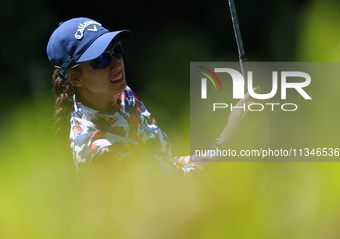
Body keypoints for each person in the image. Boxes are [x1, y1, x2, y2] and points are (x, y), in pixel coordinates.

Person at [46, 17, 259, 180]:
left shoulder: (122, 95)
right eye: (100, 60)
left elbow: (166, 165)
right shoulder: (100, 149)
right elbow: (181, 188)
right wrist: (230, 136)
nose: (116, 64)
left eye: (116, 51)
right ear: (75, 78)